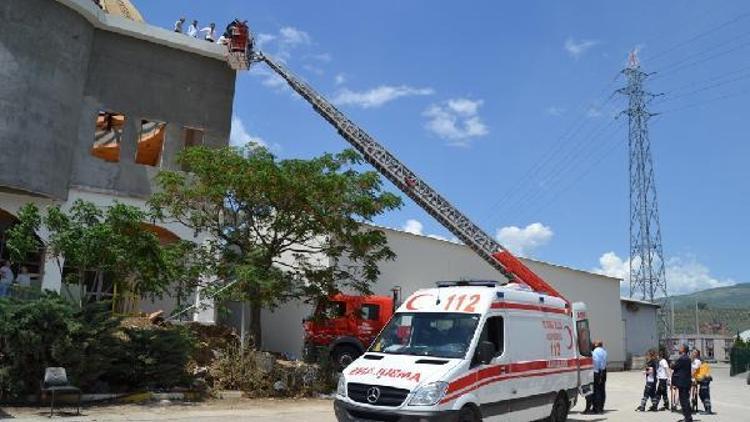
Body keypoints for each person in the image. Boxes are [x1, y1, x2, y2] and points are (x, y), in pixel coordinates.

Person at [672, 344, 694, 422]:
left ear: (684, 350)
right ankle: (687, 417)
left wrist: (672, 364)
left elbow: (674, 366)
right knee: (684, 400)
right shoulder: (686, 358)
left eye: (681, 348)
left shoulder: (683, 358)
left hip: (683, 382)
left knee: (684, 400)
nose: (679, 349)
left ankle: (688, 418)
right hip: (685, 382)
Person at [591, 339, 607, 414]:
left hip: (597, 371)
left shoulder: (595, 351)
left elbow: (596, 362)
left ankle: (597, 408)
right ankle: (601, 407)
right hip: (603, 371)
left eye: (594, 343)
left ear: (597, 345)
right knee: (602, 389)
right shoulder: (604, 351)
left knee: (596, 390)